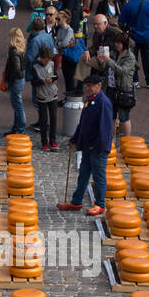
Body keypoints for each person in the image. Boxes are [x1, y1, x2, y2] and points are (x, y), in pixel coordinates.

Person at [57, 72, 113, 217]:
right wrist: (75, 139)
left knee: (98, 176)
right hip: (87, 146)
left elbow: (105, 128)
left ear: (98, 86)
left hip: (97, 147)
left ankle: (100, 204)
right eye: (86, 86)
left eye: (90, 86)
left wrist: (96, 145)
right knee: (83, 174)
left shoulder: (103, 102)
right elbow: (82, 124)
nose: (87, 88)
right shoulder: (90, 99)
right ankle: (76, 201)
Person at [119, 0, 149, 88]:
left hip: (132, 37)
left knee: (132, 60)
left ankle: (134, 81)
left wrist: (125, 31)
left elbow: (120, 22)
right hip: (147, 36)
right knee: (148, 60)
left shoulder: (127, 6)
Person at [101, 30, 136, 136]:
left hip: (123, 90)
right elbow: (105, 68)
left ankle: (127, 142)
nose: (117, 45)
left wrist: (109, 61)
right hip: (111, 88)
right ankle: (110, 143)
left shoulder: (130, 57)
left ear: (124, 44)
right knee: (111, 117)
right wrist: (103, 61)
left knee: (124, 117)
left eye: (119, 43)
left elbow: (122, 71)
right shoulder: (113, 53)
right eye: (115, 43)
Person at [32, 45, 59, 150]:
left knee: (54, 117)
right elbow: (34, 82)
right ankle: (44, 142)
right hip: (42, 96)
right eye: (45, 60)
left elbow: (56, 75)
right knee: (43, 120)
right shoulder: (35, 67)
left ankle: (53, 140)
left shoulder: (51, 64)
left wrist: (53, 78)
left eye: (49, 60)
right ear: (41, 58)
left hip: (53, 94)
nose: (47, 62)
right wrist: (43, 81)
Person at [3, 27, 27, 135]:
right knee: (17, 105)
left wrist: (9, 82)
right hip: (20, 80)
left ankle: (20, 128)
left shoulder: (13, 51)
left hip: (16, 81)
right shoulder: (21, 49)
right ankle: (17, 128)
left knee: (18, 106)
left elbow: (15, 69)